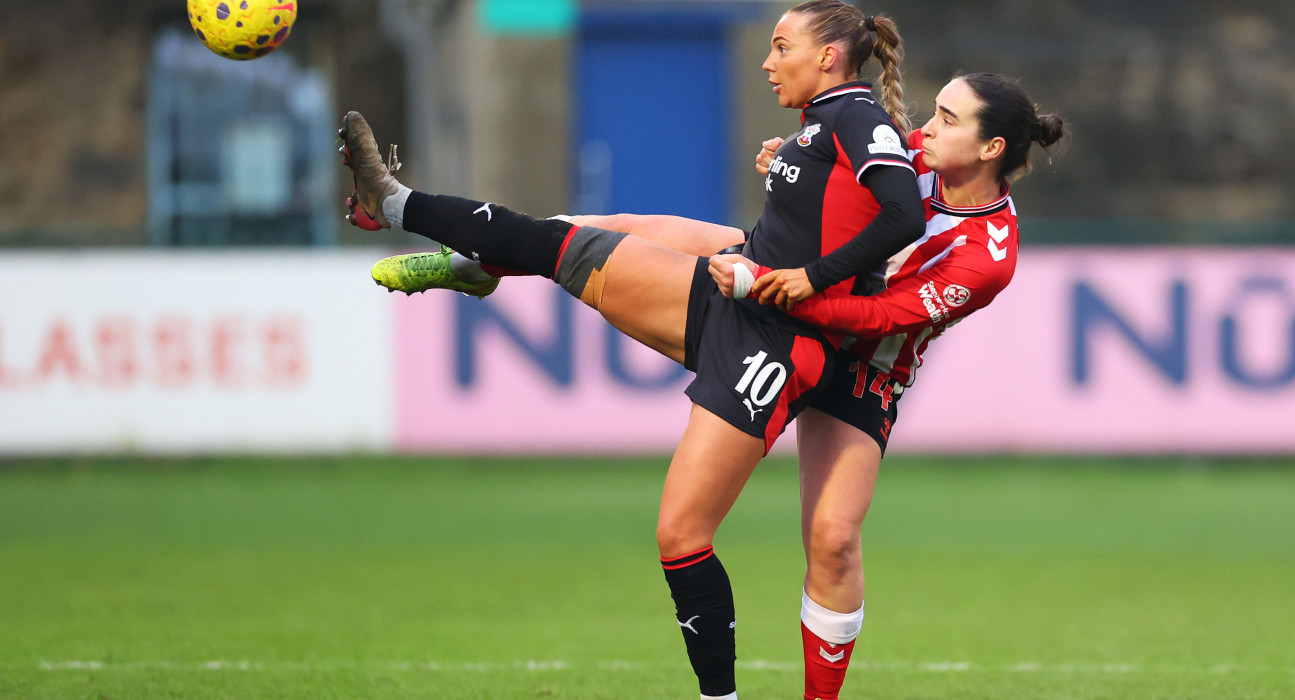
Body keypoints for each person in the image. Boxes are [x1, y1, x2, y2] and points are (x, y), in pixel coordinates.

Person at [366, 71, 1065, 700]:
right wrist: (790, 163)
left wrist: (772, 287)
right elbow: (831, 175)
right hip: (785, 292)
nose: (926, 128)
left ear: (990, 149)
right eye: (934, 112)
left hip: (861, 364)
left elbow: (881, 317)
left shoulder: (989, 257)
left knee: (834, 541)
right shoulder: (907, 155)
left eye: (947, 119)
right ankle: (477, 264)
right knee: (622, 229)